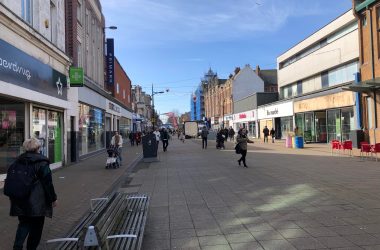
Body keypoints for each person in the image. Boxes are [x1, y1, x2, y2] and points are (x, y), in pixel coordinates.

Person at [8, 138, 57, 250]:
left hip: (20, 199)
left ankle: (17, 246)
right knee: (36, 228)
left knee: (23, 224)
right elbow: (48, 183)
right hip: (37, 202)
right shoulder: (42, 163)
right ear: (38, 148)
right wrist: (53, 198)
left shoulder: (17, 161)